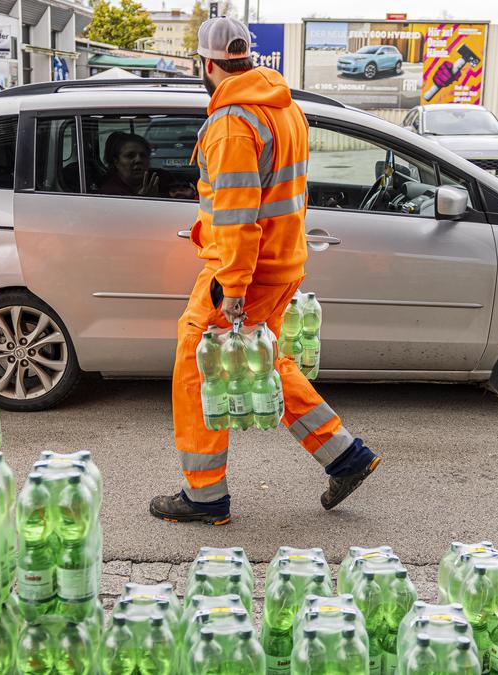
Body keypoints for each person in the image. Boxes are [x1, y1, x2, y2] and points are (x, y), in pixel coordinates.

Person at [149, 18, 380, 525]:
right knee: (263, 362)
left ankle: (205, 495)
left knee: (198, 367)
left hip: (245, 274)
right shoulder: (285, 109)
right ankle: (344, 455)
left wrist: (230, 286)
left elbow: (237, 215)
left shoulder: (233, 122)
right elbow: (269, 196)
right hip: (281, 264)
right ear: (247, 59)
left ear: (206, 65)